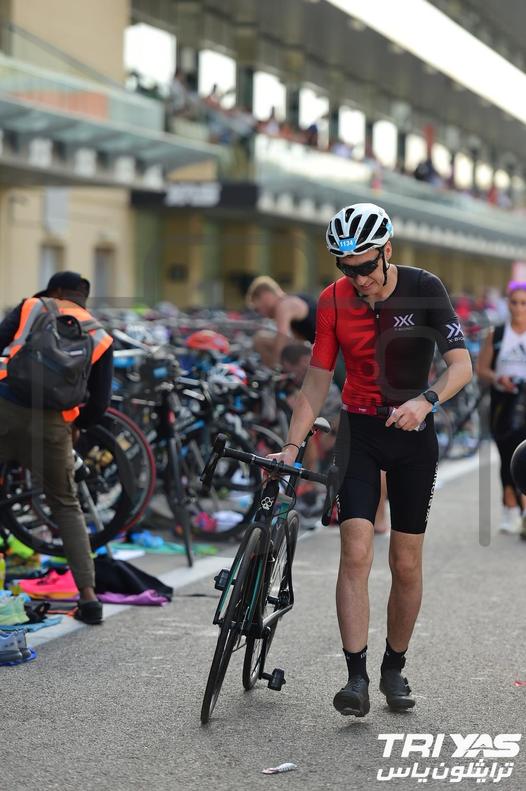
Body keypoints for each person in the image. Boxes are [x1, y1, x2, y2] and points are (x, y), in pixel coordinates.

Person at [268, 202, 472, 717]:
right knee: (355, 550)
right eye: (346, 267)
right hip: (358, 432)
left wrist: (426, 401)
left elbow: (461, 366)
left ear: (387, 251)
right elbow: (317, 381)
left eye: (364, 266)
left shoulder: (424, 287)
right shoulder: (333, 299)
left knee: (405, 561)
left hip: (413, 435)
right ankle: (355, 677)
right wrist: (291, 447)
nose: (357, 278)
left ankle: (393, 668)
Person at [0, 272, 113, 624]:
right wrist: (75, 425)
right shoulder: (100, 335)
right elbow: (99, 404)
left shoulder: (32, 306)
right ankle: (89, 598)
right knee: (66, 505)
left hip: (5, 406)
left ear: (57, 291)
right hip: (52, 425)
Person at [477, 280, 526, 536]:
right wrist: (499, 378)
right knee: (507, 456)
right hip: (503, 404)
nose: (518, 308)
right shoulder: (496, 334)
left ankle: (523, 509)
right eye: (514, 303)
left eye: (524, 303)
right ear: (507, 304)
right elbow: (481, 369)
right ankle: (509, 507)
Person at [246, 276, 317, 367]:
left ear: (265, 296)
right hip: (319, 346)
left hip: (327, 349)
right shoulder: (291, 301)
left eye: (258, 309)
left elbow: (282, 338)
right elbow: (299, 340)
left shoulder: (283, 306)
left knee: (259, 339)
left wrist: (276, 365)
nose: (261, 313)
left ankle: (275, 370)